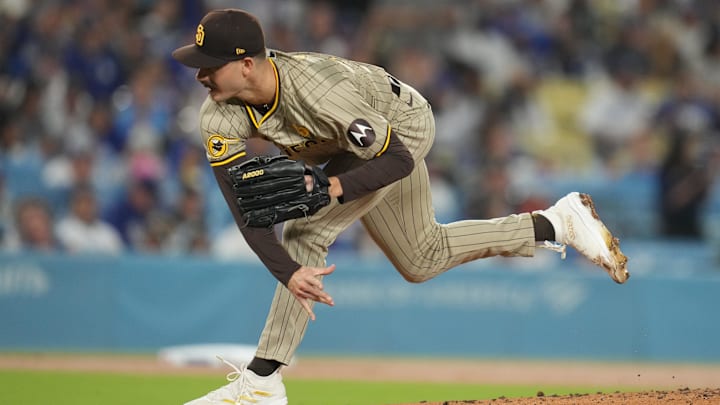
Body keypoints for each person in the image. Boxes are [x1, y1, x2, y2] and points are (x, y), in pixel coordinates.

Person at [172, 9, 629, 405]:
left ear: (247, 64)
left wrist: (332, 187)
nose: (200, 75)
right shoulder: (219, 114)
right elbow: (246, 207)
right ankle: (555, 223)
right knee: (421, 257)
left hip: (401, 127)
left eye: (209, 66)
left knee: (306, 231)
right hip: (349, 144)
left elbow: (396, 157)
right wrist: (289, 273)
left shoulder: (317, 91)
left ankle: (262, 382)